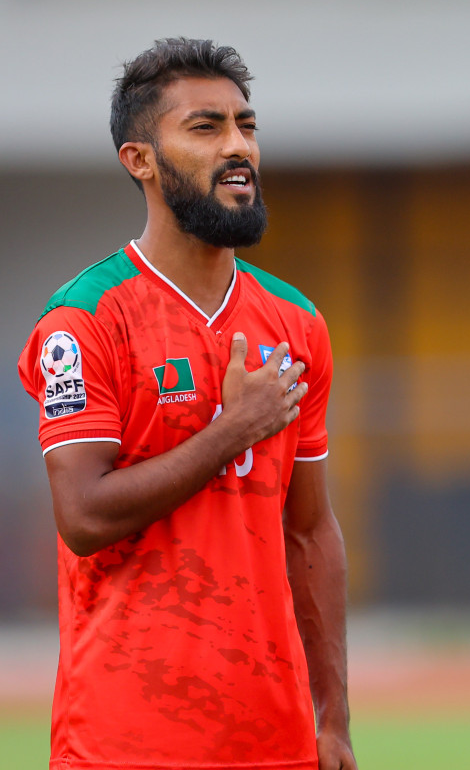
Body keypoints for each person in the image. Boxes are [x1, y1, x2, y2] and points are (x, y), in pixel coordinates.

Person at [15, 39, 355, 770]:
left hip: (277, 742)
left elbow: (311, 533)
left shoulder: (297, 324)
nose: (239, 148)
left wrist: (334, 718)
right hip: (123, 744)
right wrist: (232, 431)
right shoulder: (84, 321)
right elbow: (83, 517)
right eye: (205, 128)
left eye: (246, 125)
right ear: (139, 159)